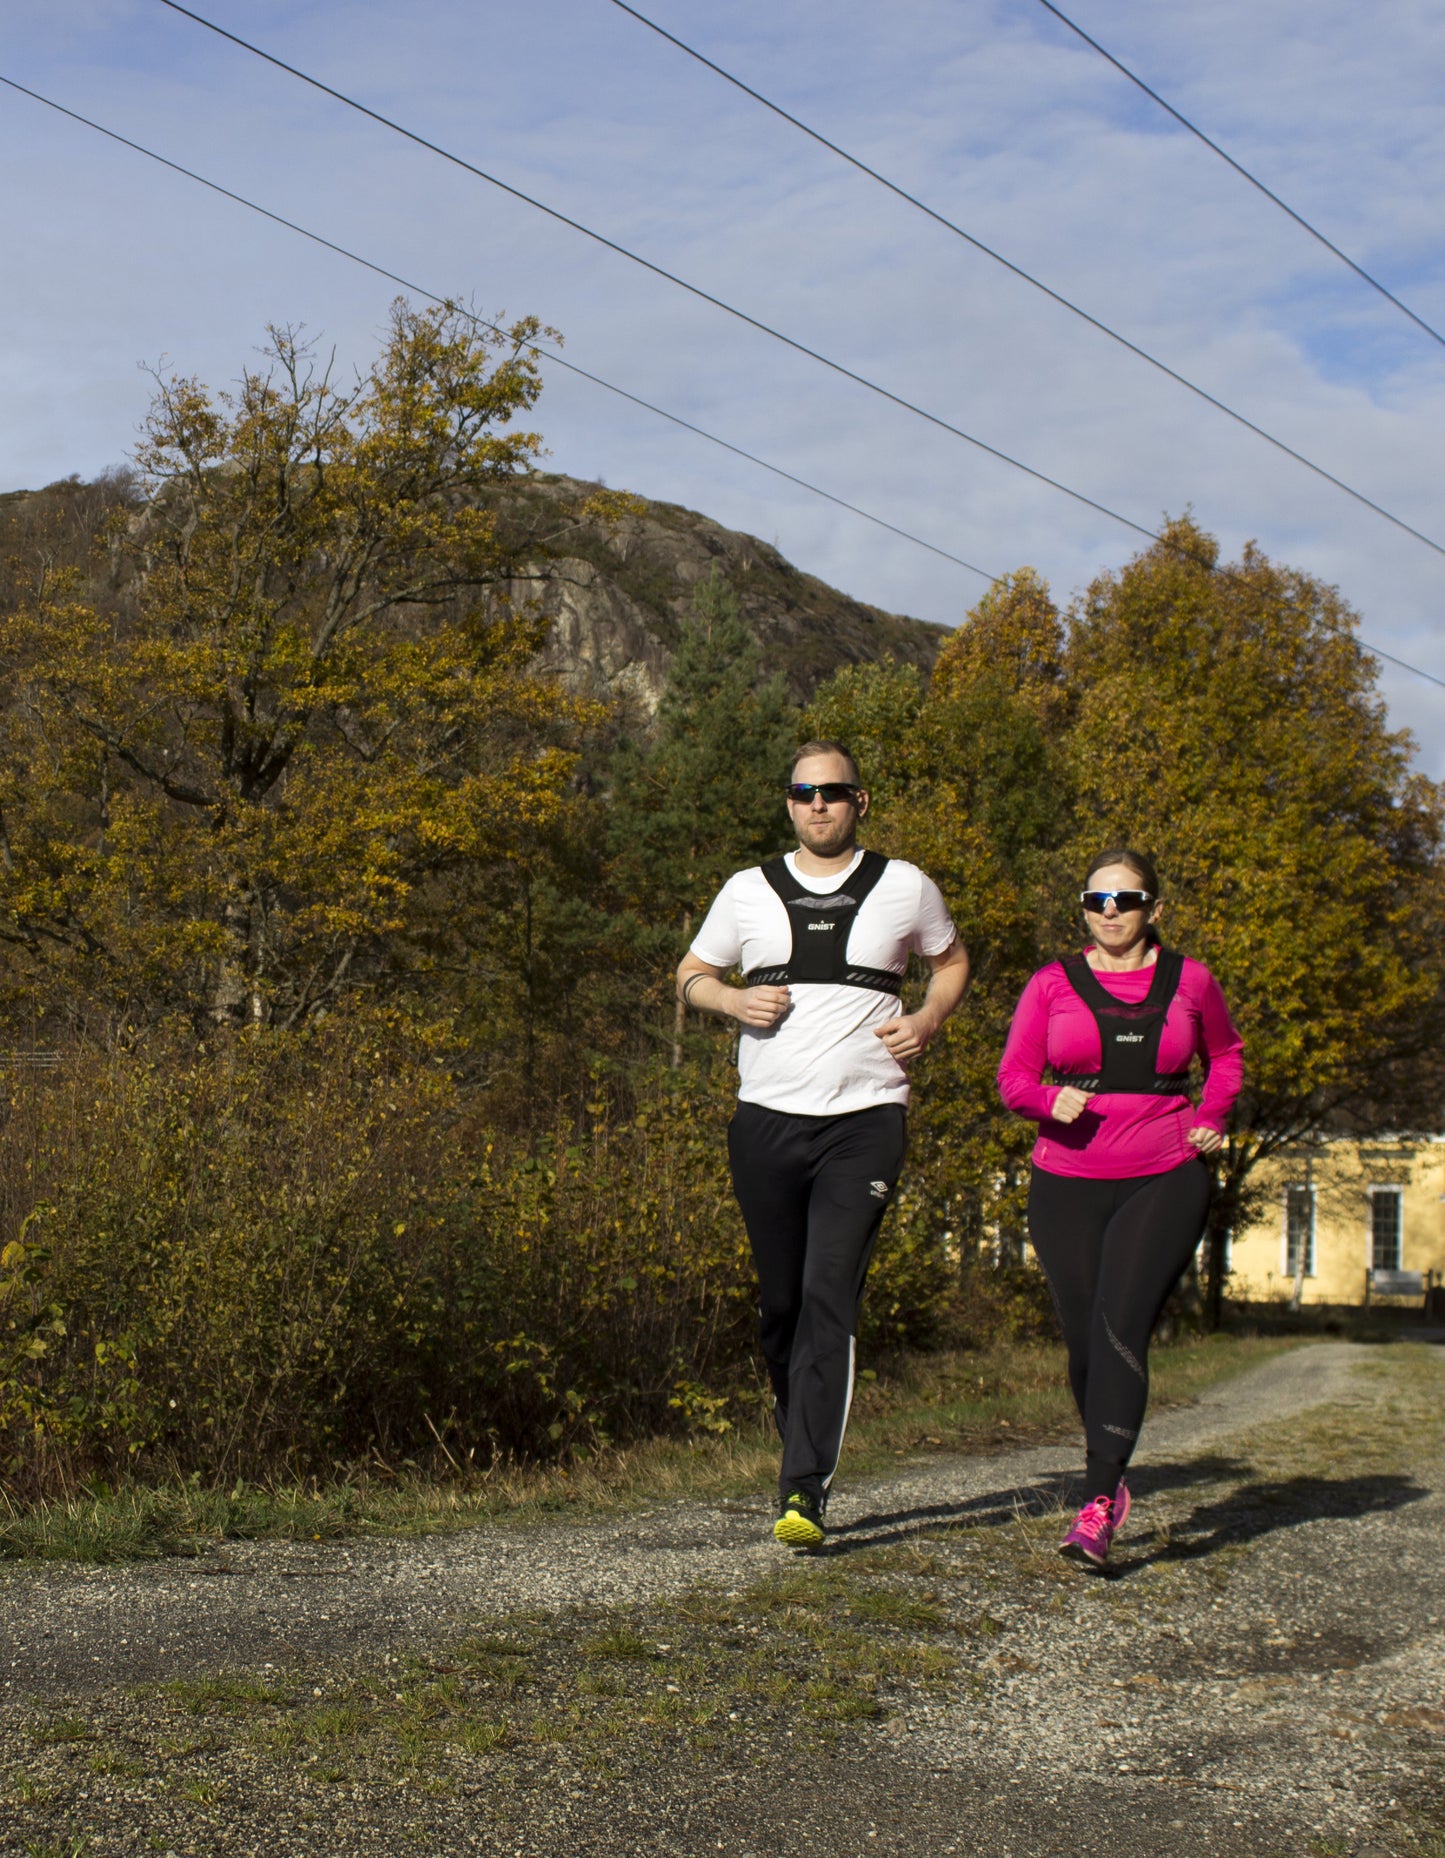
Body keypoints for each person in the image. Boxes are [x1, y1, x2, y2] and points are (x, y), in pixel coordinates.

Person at [677, 741, 969, 1548]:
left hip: (865, 1121)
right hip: (765, 1121)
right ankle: (798, 1424)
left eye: (833, 792)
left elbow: (950, 963)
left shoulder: (904, 885)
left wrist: (927, 1018)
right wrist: (730, 1002)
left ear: (859, 801)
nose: (818, 804)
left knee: (828, 1294)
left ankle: (803, 1490)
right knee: (781, 1306)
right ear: (788, 802)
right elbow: (690, 973)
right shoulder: (746, 890)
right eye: (803, 792)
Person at [997, 849, 1243, 1569]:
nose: (1109, 911)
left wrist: (1213, 1114)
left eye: (1125, 899)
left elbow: (1226, 1055)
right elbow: (1013, 1078)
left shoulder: (1191, 981)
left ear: (1154, 909)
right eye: (1095, 900)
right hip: (1065, 1180)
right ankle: (1109, 1466)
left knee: (1119, 1328)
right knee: (1084, 1344)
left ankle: (1098, 1502)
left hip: (1163, 1174)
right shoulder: (1050, 984)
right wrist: (1048, 1099)